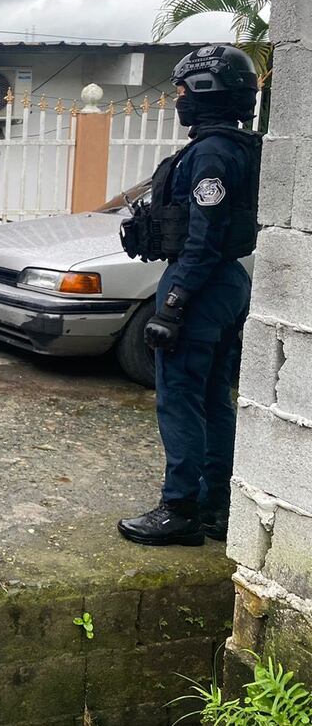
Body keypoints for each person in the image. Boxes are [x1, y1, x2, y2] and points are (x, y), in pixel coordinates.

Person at [117, 44, 262, 547]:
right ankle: (214, 506)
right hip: (224, 283)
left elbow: (204, 237)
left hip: (199, 285)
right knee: (213, 399)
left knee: (180, 400)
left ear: (205, 91)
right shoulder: (237, 146)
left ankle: (179, 509)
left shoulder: (213, 154)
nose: (178, 98)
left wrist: (173, 304)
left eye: (182, 89)